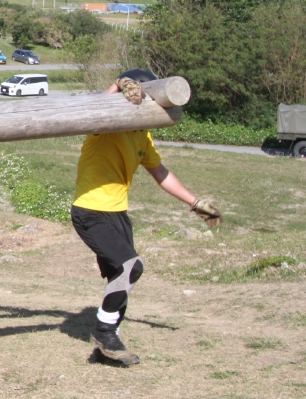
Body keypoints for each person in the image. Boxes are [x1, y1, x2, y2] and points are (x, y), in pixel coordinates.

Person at [72, 69, 222, 366]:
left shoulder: (143, 133)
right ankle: (104, 332)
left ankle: (106, 345)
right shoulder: (106, 121)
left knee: (121, 277)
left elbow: (160, 173)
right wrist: (116, 84)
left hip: (117, 212)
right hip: (90, 210)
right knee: (131, 266)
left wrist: (196, 203)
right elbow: (92, 110)